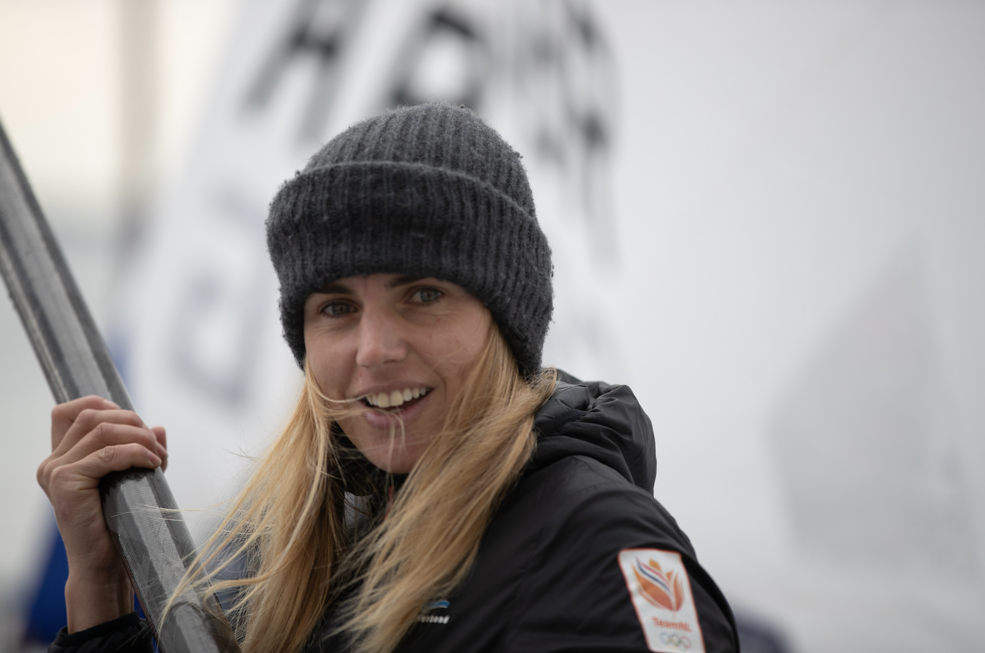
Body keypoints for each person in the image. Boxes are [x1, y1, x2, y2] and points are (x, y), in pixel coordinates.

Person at [37, 103, 739, 653]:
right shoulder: (312, 550)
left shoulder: (597, 550)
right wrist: (100, 589)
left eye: (423, 294)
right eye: (337, 307)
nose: (372, 349)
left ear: (505, 320)